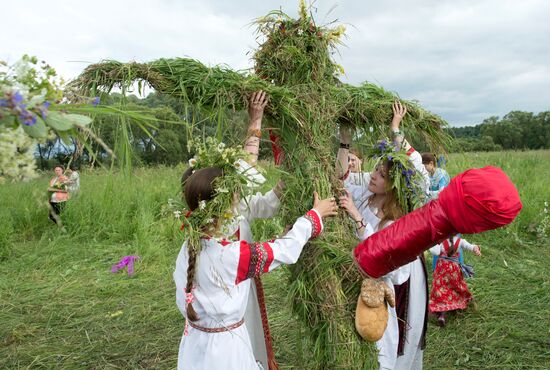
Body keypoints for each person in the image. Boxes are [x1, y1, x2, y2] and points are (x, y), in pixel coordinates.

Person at [173, 165, 338, 369]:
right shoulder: (230, 255)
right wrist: (315, 215)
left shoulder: (189, 246)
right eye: (235, 195)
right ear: (225, 207)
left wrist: (279, 238)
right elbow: (284, 250)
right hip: (226, 352)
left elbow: (250, 255)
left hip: (195, 343)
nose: (238, 200)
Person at [337, 101, 429, 370]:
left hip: (382, 289)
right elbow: (339, 178)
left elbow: (383, 258)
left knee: (380, 346)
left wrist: (396, 130)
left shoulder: (395, 222)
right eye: (375, 168)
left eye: (381, 174)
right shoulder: (367, 192)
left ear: (394, 185)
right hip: (356, 280)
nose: (373, 175)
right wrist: (344, 142)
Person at [428, 235, 481, 327]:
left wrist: (433, 241)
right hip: (454, 270)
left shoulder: (441, 241)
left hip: (442, 270)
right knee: (457, 286)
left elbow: (435, 252)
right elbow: (470, 246)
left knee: (440, 289)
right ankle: (460, 302)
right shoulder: (460, 240)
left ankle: (441, 314)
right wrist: (475, 248)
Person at [421, 153, 452, 270]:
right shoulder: (429, 175)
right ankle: (439, 267)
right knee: (437, 238)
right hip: (435, 209)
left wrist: (427, 195)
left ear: (431, 164)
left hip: (446, 209)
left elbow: (441, 193)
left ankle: (451, 266)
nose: (424, 170)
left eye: (425, 167)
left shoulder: (442, 175)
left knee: (447, 238)